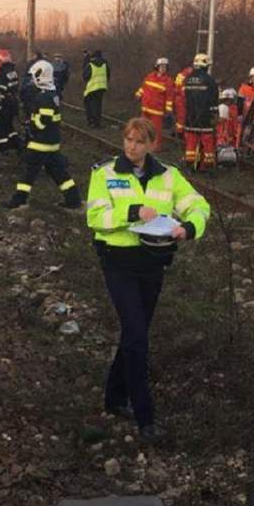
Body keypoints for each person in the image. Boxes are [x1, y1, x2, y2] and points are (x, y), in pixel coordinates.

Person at [86, 117, 210, 443]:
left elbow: (198, 204)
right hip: (118, 263)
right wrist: (131, 213)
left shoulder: (169, 176)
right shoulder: (105, 174)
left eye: (139, 141)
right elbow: (95, 217)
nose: (132, 146)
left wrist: (190, 227)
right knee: (138, 336)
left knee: (133, 332)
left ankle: (113, 398)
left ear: (151, 144)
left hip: (153, 264)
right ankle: (145, 417)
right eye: (128, 139)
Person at [5, 60, 81, 210]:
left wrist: (32, 125)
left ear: (40, 76)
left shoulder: (44, 96)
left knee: (28, 173)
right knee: (59, 174)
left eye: (34, 76)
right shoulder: (53, 94)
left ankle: (18, 200)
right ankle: (74, 200)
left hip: (40, 143)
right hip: (51, 143)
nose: (33, 79)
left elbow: (43, 120)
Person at [181, 53, 219, 171]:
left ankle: (189, 165)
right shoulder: (210, 80)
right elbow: (213, 101)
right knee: (207, 142)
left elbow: (185, 98)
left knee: (191, 143)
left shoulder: (188, 79)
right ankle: (207, 166)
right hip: (205, 117)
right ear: (206, 65)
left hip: (190, 117)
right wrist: (214, 115)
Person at [134, 57, 174, 150]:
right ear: (157, 67)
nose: (163, 68)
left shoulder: (168, 81)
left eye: (165, 67)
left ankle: (155, 147)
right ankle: (143, 144)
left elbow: (169, 97)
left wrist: (168, 109)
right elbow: (144, 87)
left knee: (156, 130)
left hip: (157, 110)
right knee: (143, 127)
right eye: (161, 66)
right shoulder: (150, 76)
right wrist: (138, 94)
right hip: (146, 107)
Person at [0, 48, 23, 153]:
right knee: (9, 124)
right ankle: (17, 143)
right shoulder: (12, 70)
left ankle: (4, 147)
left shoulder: (2, 72)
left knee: (0, 125)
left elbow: (1, 89)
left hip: (5, 102)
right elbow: (16, 85)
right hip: (13, 101)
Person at [82, 49, 110, 127]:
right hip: (102, 87)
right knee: (98, 105)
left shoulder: (90, 64)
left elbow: (85, 76)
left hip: (91, 88)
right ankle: (97, 123)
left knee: (89, 105)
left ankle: (91, 122)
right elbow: (108, 75)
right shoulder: (105, 64)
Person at [173, 59, 194, 139]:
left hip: (182, 98)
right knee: (181, 116)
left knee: (182, 117)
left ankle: (181, 132)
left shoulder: (183, 74)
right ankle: (180, 133)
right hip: (181, 98)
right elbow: (179, 87)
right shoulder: (186, 74)